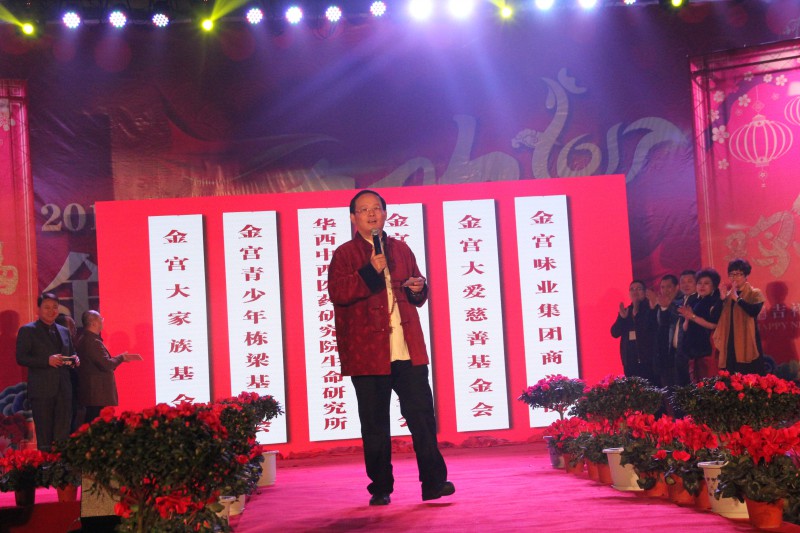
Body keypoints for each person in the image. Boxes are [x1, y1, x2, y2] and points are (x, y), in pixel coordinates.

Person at [327, 190, 453, 506]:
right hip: (368, 354)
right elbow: (338, 293)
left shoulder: (401, 249)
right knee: (375, 424)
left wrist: (418, 287)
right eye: (364, 210)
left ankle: (433, 483)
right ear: (353, 218)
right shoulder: (344, 254)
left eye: (376, 209)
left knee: (422, 416)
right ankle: (381, 487)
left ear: (385, 214)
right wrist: (370, 270)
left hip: (407, 349)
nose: (371, 214)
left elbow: (416, 292)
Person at [15, 292, 79, 451]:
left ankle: (61, 464)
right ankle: (46, 465)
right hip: (42, 390)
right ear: (38, 309)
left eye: (55, 307)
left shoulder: (64, 331)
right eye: (47, 307)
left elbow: (72, 352)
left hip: (64, 389)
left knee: (63, 433)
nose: (52, 311)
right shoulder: (28, 330)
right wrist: (46, 361)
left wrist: (75, 359)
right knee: (45, 435)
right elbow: (21, 358)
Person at [76, 310, 137, 423]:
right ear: (93, 323)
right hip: (97, 395)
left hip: (95, 394)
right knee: (96, 423)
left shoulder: (87, 339)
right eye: (101, 319)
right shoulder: (92, 341)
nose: (102, 321)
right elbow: (106, 364)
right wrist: (121, 357)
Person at [713, 258, 766, 375]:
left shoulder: (754, 293)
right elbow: (714, 317)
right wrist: (721, 299)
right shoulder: (726, 296)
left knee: (750, 375)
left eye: (738, 274)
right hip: (729, 340)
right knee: (731, 376)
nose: (734, 277)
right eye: (731, 274)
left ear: (746, 275)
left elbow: (753, 311)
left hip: (747, 339)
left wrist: (738, 299)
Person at [677, 268, 722, 383]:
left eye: (706, 283)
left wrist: (692, 316)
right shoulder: (694, 302)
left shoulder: (715, 302)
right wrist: (687, 319)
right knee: (697, 383)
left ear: (714, 286)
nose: (702, 286)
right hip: (694, 350)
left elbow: (713, 325)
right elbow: (685, 328)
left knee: (709, 383)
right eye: (699, 283)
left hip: (708, 348)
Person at [611, 280, 657, 381]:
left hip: (648, 361)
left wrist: (637, 312)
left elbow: (651, 328)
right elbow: (614, 333)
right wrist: (622, 318)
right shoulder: (626, 311)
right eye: (632, 289)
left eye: (639, 289)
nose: (635, 292)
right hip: (630, 361)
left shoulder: (651, 309)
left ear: (645, 292)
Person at [672, 270, 699, 386]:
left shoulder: (698, 301)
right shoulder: (678, 302)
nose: (686, 285)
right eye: (683, 282)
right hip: (678, 352)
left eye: (689, 281)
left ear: (696, 283)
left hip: (691, 353)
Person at [653, 274, 680, 388]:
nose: (665, 290)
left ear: (677, 287)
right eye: (662, 287)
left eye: (668, 286)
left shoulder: (680, 303)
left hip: (676, 355)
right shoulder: (659, 304)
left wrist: (665, 307)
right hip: (662, 355)